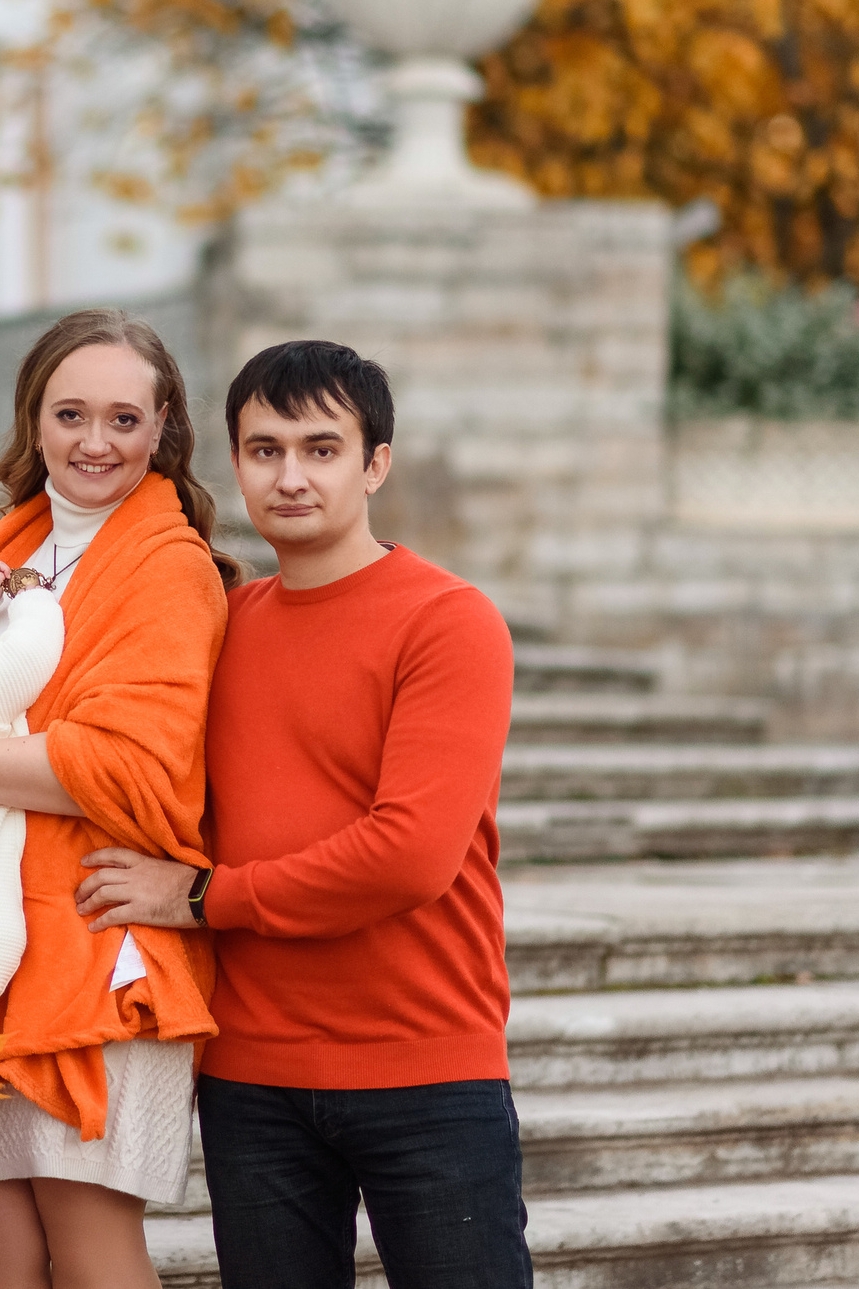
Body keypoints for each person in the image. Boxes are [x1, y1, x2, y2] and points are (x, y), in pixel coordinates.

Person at [74, 339, 528, 1289]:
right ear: (233, 462)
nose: (290, 475)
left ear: (376, 464)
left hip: (427, 1069)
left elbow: (409, 855)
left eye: (322, 449)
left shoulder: (448, 621)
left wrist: (201, 898)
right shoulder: (221, 622)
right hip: (252, 1079)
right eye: (264, 449)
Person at [0, 308, 238, 1289]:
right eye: (70, 413)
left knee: (89, 1251)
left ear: (161, 427)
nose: (95, 440)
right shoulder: (13, 546)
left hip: (96, 947)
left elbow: (124, 765)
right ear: (34, 419)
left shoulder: (171, 569)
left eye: (124, 417)